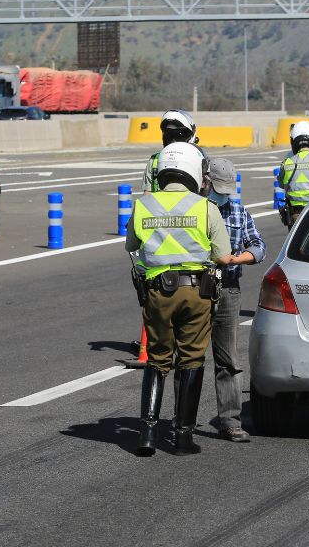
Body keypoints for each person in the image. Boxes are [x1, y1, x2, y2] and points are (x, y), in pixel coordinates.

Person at [125, 142, 236, 456]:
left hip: (157, 292)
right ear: (192, 171)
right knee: (191, 360)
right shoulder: (205, 208)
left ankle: (147, 433)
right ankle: (183, 437)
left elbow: (130, 244)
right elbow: (223, 254)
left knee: (158, 360)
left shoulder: (143, 205)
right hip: (196, 292)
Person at [204, 157, 265, 443]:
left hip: (228, 287)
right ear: (206, 181)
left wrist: (238, 258)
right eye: (218, 187)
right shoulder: (196, 210)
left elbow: (258, 245)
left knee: (228, 358)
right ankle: (181, 422)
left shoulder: (238, 210)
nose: (223, 193)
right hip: (197, 288)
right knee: (187, 358)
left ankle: (230, 420)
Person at [142, 109, 206, 193]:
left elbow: (147, 196)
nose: (173, 140)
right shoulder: (199, 157)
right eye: (169, 135)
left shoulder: (154, 160)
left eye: (179, 135)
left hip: (159, 206)